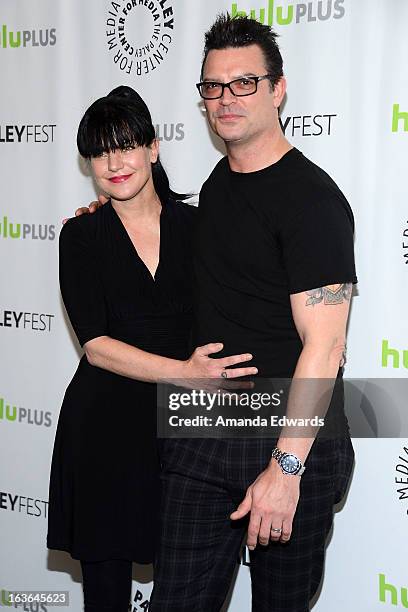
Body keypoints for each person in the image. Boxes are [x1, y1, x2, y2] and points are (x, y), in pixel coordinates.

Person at [77, 15, 357, 611]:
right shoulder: (217, 187)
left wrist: (285, 470)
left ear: (279, 88)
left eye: (244, 82)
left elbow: (326, 346)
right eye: (213, 86)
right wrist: (104, 213)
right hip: (206, 429)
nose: (226, 98)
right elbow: (155, 222)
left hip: (292, 436)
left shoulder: (313, 199)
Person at [47, 85, 257, 612]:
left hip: (184, 435)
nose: (115, 162)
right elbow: (96, 346)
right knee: (107, 597)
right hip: (105, 431)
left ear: (152, 147)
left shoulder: (199, 225)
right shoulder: (80, 236)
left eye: (126, 145)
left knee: (186, 590)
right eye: (99, 151)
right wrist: (184, 371)